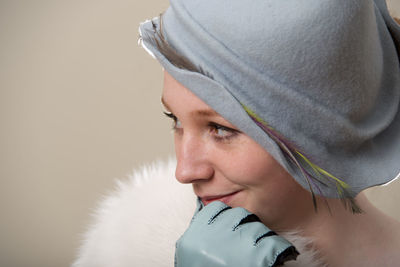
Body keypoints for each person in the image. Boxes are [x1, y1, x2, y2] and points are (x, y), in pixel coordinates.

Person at [73, 0, 400, 266]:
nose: (184, 172)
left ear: (323, 131)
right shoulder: (127, 246)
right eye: (175, 120)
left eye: (220, 129)